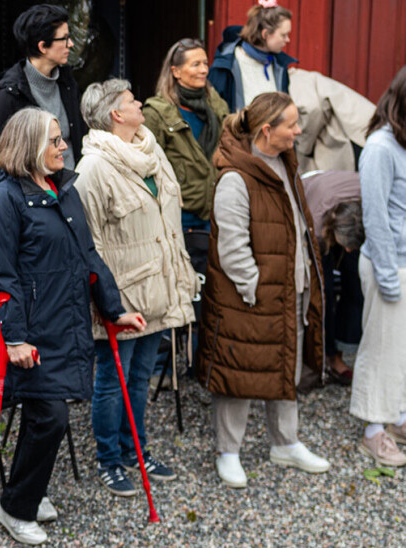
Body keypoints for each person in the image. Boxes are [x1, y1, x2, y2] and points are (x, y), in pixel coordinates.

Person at [0, 107, 145, 545]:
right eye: (54, 140)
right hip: (32, 330)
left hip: (66, 320)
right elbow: (1, 275)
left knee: (49, 416)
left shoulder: (62, 188)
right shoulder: (6, 198)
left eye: (62, 139)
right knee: (49, 416)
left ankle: (27, 493)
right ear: (29, 145)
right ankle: (16, 508)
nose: (63, 147)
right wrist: (13, 337)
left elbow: (88, 256)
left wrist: (113, 309)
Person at [198, 91, 329, 488]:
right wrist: (253, 289)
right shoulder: (236, 177)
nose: (299, 131)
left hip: (290, 291)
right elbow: (233, 246)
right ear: (268, 130)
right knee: (240, 370)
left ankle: (285, 443)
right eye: (292, 124)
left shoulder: (285, 164)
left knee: (285, 365)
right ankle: (228, 452)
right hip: (251, 298)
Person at [75, 79, 198, 496]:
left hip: (159, 289)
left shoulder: (151, 149)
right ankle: (109, 460)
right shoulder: (92, 168)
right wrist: (104, 304)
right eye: (132, 100)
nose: (140, 103)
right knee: (113, 380)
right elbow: (86, 244)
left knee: (141, 376)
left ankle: (136, 450)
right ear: (115, 113)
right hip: (123, 297)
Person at [350, 65, 406, 466]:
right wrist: (388, 276)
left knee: (401, 351)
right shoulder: (381, 148)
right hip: (389, 265)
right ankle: (373, 430)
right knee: (381, 348)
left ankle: (397, 417)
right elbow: (376, 218)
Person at [0, 4, 85, 187]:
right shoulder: (8, 95)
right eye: (65, 39)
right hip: (34, 203)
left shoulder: (68, 84)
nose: (71, 44)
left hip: (73, 192)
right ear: (43, 46)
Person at [144, 38, 230, 231]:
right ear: (176, 71)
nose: (204, 70)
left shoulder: (216, 105)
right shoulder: (157, 113)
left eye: (205, 63)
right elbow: (147, 167)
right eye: (196, 64)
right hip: (179, 218)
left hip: (215, 214)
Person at [302, 171, 364, 384]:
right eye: (344, 244)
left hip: (348, 207)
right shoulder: (317, 225)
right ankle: (326, 355)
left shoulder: (368, 197)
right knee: (324, 290)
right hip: (314, 201)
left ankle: (344, 348)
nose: (347, 250)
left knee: (356, 281)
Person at [208, 1, 296, 113]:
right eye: (283, 35)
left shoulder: (279, 66)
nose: (287, 40)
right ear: (265, 34)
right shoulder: (226, 66)